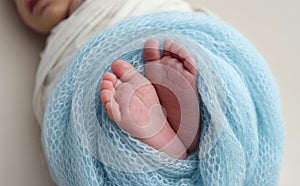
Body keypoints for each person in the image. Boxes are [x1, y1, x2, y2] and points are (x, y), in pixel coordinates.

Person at [14, 0, 203, 159]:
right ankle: (167, 137)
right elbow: (60, 128)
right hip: (119, 121)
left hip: (146, 34)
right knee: (91, 127)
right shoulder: (54, 56)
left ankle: (168, 134)